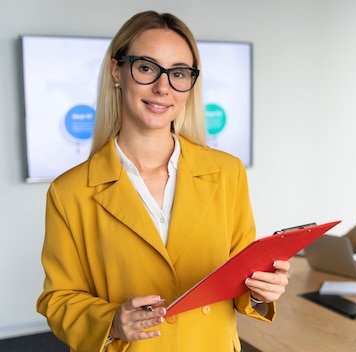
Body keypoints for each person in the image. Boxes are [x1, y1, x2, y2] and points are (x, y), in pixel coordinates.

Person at [36, 11, 290, 352]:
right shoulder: (70, 191)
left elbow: (239, 281)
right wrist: (112, 320)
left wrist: (261, 292)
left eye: (179, 73)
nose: (162, 87)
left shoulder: (227, 173)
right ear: (117, 70)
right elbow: (58, 299)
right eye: (146, 68)